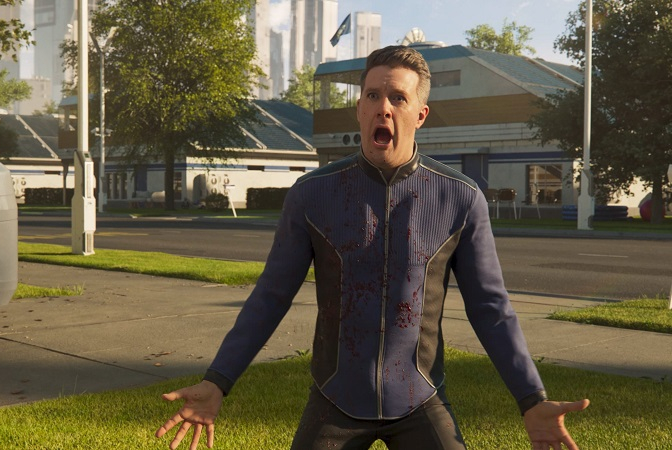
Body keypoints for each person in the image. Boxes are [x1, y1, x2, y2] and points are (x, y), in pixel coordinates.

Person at [155, 45, 589, 450]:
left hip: (420, 397)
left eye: (398, 98)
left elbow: (490, 307)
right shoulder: (311, 194)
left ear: (420, 114)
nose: (384, 107)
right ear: (360, 109)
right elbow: (270, 296)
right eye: (373, 95)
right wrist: (218, 380)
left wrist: (531, 399)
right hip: (335, 399)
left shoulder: (459, 197)